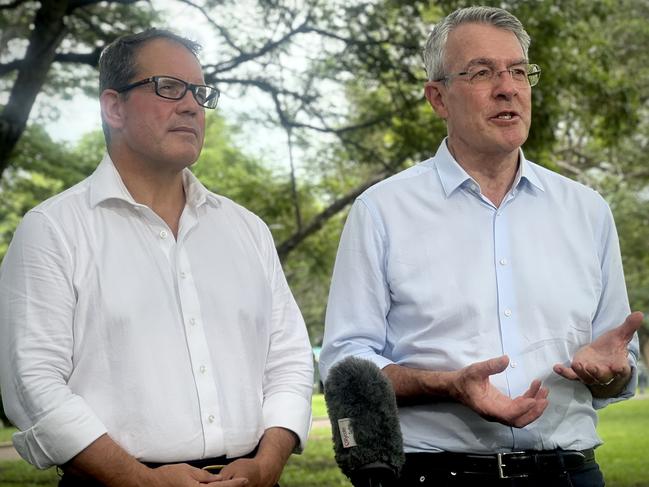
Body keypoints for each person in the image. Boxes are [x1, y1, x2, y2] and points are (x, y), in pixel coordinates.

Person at [319, 6, 642, 487]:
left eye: (517, 71)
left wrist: (610, 373)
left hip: (570, 472)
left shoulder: (588, 211)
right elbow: (345, 365)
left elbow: (617, 366)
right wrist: (446, 385)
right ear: (438, 98)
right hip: (435, 473)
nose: (507, 87)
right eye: (482, 72)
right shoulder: (382, 211)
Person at [0, 29, 313, 487]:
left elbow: (289, 359)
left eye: (200, 93)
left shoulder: (248, 230)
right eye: (168, 87)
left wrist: (269, 461)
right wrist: (140, 481)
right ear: (113, 107)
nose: (191, 106)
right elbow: (32, 383)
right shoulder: (53, 230)